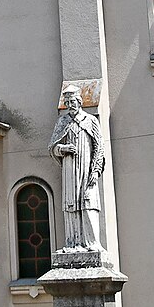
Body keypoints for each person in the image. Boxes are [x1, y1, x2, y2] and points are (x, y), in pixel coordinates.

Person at [48, 84, 104, 250]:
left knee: (88, 202)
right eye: (67, 102)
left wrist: (95, 171)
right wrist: (63, 149)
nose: (70, 105)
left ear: (79, 101)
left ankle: (92, 243)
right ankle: (73, 243)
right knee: (71, 204)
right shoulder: (62, 121)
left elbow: (99, 147)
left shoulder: (90, 120)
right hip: (70, 168)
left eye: (73, 101)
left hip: (86, 169)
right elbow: (52, 147)